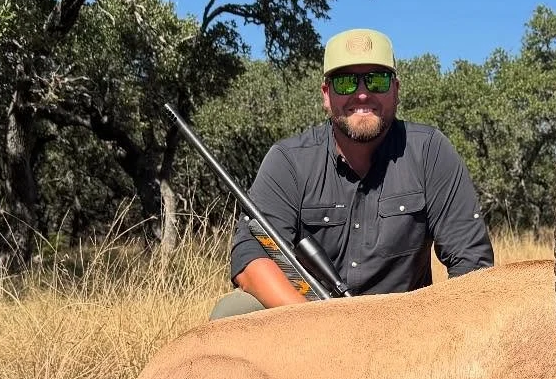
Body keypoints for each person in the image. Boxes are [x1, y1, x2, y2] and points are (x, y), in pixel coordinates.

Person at [210, 27, 494, 319]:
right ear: (326, 95)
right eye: (345, 82)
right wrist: (319, 322)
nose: (362, 94)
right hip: (312, 324)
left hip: (405, 328)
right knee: (232, 312)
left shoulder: (430, 151)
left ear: (396, 90)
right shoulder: (288, 160)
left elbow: (472, 263)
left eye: (377, 80)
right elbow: (251, 259)